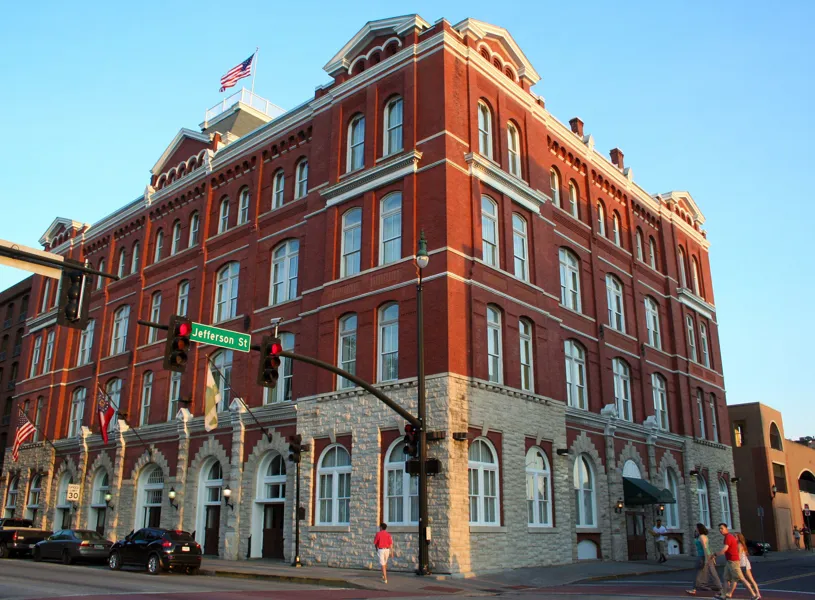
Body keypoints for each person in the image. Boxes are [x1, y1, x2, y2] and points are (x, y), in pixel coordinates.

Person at [711, 523, 758, 600]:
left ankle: (754, 595)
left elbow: (724, 550)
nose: (720, 530)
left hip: (734, 562)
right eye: (719, 529)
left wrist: (715, 554)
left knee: (742, 578)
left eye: (722, 528)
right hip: (729, 562)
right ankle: (723, 595)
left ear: (726, 529)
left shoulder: (728, 537)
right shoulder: (728, 537)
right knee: (726, 578)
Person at [686, 523, 722, 596]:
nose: (695, 529)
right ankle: (695, 588)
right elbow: (708, 547)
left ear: (699, 528)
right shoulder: (702, 536)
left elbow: (705, 548)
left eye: (696, 528)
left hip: (704, 556)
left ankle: (719, 588)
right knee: (702, 572)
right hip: (704, 556)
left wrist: (706, 559)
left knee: (709, 572)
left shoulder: (702, 537)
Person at [737, 532, 761, 599]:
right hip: (744, 563)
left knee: (748, 579)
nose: (734, 537)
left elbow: (739, 556)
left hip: (743, 564)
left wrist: (736, 563)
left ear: (739, 538)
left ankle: (756, 594)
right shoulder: (739, 544)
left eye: (735, 536)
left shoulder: (739, 544)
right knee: (747, 579)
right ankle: (756, 594)